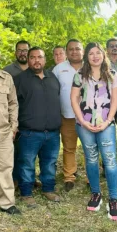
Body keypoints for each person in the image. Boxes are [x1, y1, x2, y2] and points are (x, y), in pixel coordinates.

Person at [71, 42, 117, 221]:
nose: (95, 56)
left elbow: (115, 100)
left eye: (98, 52)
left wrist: (108, 121)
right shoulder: (79, 75)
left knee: (110, 160)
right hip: (85, 125)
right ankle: (95, 194)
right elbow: (74, 98)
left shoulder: (112, 75)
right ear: (87, 56)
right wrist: (83, 122)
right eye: (91, 53)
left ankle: (113, 199)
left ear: (103, 55)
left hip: (106, 125)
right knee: (91, 159)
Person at [14, 47, 61, 207]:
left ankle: (48, 189)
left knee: (50, 163)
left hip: (53, 133)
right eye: (32, 57)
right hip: (29, 132)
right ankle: (26, 193)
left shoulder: (52, 77)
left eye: (39, 57)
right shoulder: (20, 79)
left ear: (44, 59)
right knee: (27, 163)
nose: (36, 60)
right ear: (28, 60)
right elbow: (13, 105)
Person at [0, 42, 21, 216]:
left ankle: (7, 203)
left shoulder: (7, 78)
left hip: (3, 132)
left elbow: (13, 103)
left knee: (5, 169)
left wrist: (13, 126)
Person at [52, 39, 84, 191]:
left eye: (77, 49)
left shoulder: (90, 66)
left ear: (82, 51)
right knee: (69, 147)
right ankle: (69, 176)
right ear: (67, 52)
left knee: (90, 147)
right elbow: (52, 91)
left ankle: (91, 177)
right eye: (70, 49)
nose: (74, 51)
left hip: (88, 117)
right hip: (67, 115)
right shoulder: (59, 69)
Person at [3, 40, 30, 187]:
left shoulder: (35, 69)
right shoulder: (8, 71)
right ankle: (14, 180)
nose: (22, 53)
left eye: (25, 50)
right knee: (14, 151)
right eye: (19, 50)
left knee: (29, 152)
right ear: (15, 53)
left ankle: (28, 179)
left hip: (31, 117)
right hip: (14, 117)